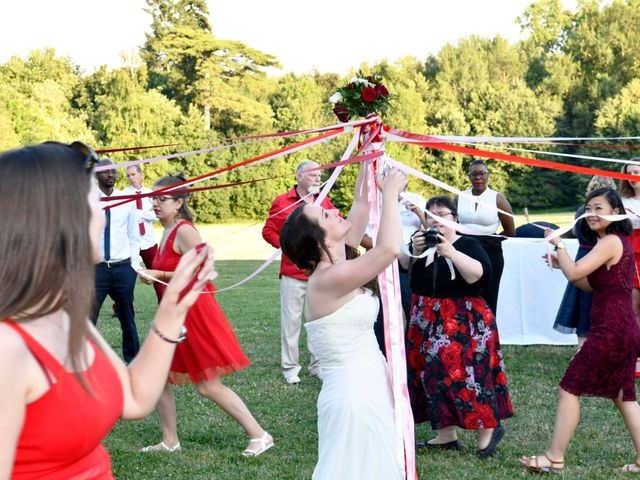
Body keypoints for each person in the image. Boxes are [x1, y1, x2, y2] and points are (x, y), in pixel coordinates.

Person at [0, 141, 215, 479]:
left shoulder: (64, 315)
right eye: (92, 202)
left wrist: (171, 311)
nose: (102, 213)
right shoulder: (7, 347)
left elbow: (133, 397)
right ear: (57, 220)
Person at [279, 163, 407, 480]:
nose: (333, 212)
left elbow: (361, 203)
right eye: (324, 215)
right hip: (353, 397)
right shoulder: (327, 279)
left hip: (371, 383)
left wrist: (367, 151)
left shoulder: (342, 257)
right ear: (318, 239)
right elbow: (388, 249)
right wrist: (391, 195)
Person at [138, 174, 272, 456]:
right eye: (153, 198)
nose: (155, 204)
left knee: (208, 386)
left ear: (178, 202)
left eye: (161, 199)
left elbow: (202, 269)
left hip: (193, 315)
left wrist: (159, 273)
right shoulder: (167, 230)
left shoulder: (185, 230)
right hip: (173, 314)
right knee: (158, 376)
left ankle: (259, 434)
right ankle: (170, 441)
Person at [520, 187, 640, 474]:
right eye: (589, 208)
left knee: (569, 387)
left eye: (599, 208)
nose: (592, 213)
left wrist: (560, 246)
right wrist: (561, 262)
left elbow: (576, 273)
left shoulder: (611, 241)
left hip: (611, 330)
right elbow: (587, 283)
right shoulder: (610, 242)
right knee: (624, 396)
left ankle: (554, 457)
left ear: (615, 212)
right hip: (620, 329)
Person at [400, 195, 513, 458]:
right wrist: (414, 251)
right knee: (430, 375)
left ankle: (489, 429)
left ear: (455, 219)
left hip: (463, 319)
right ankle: (446, 434)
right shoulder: (421, 243)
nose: (436, 220)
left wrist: (450, 251)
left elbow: (480, 275)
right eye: (431, 215)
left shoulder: (469, 243)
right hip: (425, 317)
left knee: (466, 376)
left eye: (443, 215)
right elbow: (404, 268)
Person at [262, 160, 339, 384]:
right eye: (313, 175)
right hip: (293, 271)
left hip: (320, 271)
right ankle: (290, 368)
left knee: (319, 320)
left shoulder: (324, 200)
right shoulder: (282, 202)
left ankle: (317, 365)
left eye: (319, 175)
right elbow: (268, 231)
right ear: (299, 176)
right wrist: (287, 248)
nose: (317, 179)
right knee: (291, 321)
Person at [554, 175, 615, 345]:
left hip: (582, 256)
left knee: (583, 305)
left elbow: (574, 232)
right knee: (592, 303)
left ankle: (582, 346)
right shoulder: (602, 214)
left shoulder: (581, 210)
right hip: (598, 258)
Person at [94, 159, 143, 363]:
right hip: (96, 270)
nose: (111, 174)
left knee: (127, 319)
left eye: (114, 171)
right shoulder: (86, 200)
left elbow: (134, 236)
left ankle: (133, 361)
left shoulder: (127, 200)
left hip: (123, 268)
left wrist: (133, 266)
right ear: (96, 174)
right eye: (106, 171)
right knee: (87, 319)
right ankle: (83, 362)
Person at [456, 160, 515, 314]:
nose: (478, 177)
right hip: (464, 251)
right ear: (469, 177)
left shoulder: (497, 198)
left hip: (490, 253)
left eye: (482, 173)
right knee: (464, 295)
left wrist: (490, 240)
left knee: (488, 297)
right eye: (474, 174)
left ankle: (489, 336)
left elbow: (510, 231)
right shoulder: (460, 197)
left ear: (488, 175)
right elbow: (452, 224)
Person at [123, 165, 158, 269]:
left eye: (133, 174)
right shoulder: (123, 194)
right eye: (128, 176)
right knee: (129, 275)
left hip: (148, 242)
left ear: (141, 174)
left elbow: (158, 215)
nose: (131, 178)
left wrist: (140, 214)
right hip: (130, 243)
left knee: (156, 273)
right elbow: (124, 216)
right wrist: (135, 216)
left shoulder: (150, 193)